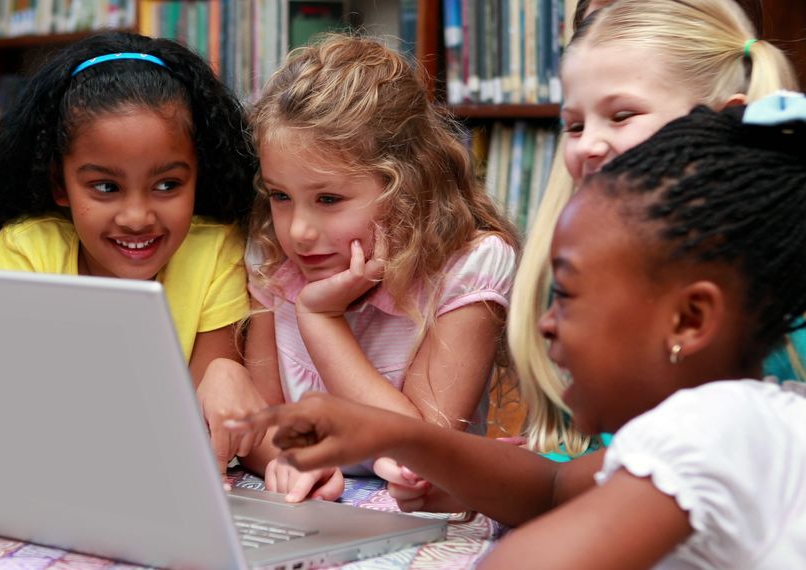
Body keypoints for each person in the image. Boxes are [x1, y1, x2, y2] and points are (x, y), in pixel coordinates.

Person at [231, 102, 806, 568]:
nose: (546, 325)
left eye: (570, 296)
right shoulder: (728, 421)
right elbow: (551, 488)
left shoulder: (713, 430)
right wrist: (425, 457)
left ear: (688, 321)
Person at [200, 34, 519, 502]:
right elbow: (261, 423)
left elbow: (422, 451)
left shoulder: (468, 266)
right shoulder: (273, 258)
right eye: (281, 196)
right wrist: (294, 459)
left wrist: (322, 319)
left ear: (404, 186)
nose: (300, 231)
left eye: (329, 199)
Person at [507, 0, 799, 463]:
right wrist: (505, 471)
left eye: (622, 116)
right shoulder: (582, 262)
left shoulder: (781, 283)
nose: (588, 145)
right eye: (574, 125)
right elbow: (587, 459)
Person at [0, 32, 258, 438]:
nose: (136, 217)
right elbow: (14, 404)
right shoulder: (27, 248)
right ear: (60, 185)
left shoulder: (216, 250)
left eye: (167, 185)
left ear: (198, 179)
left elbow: (199, 423)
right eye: (106, 187)